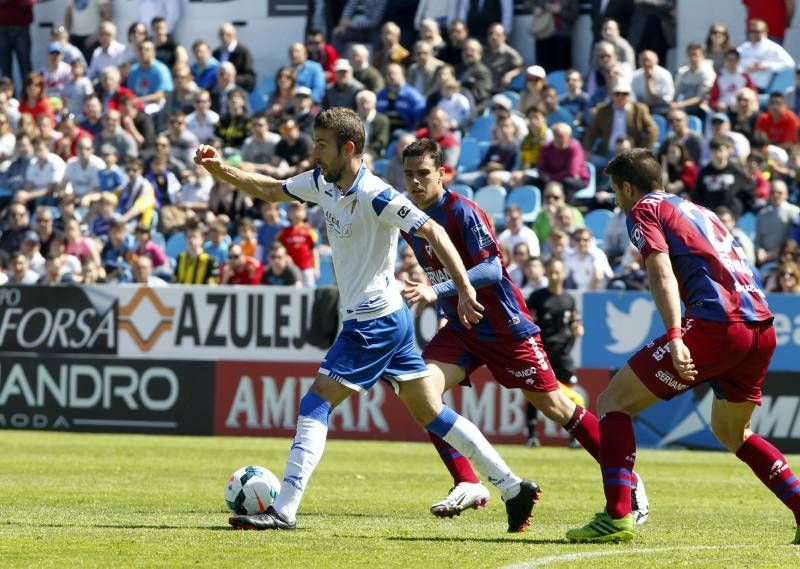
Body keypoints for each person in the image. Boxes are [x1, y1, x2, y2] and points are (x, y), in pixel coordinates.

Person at [194, 108, 540, 533]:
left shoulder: (377, 194)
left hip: (373, 321)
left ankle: (283, 509)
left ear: (349, 147)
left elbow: (435, 232)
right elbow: (271, 190)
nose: (314, 151)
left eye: (322, 144)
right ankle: (511, 487)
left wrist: (464, 288)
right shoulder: (323, 181)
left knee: (315, 402)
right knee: (431, 412)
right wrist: (220, 168)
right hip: (389, 317)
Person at [399, 138, 649, 522]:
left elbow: (491, 270)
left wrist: (438, 290)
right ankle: (467, 481)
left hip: (504, 326)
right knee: (419, 391)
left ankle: (627, 478)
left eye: (423, 174)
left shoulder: (463, 212)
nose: (416, 182)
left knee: (557, 407)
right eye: (409, 175)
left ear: (442, 174)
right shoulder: (411, 222)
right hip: (464, 328)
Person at [566, 147, 794, 544]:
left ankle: (618, 514)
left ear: (627, 187)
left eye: (615, 191)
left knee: (612, 403)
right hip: (761, 325)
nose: (615, 200)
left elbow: (660, 271)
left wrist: (675, 335)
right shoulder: (700, 211)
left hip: (715, 324)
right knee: (733, 433)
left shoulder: (643, 210)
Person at [525, 257, 584, 446]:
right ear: (546, 273)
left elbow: (574, 321)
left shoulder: (568, 299)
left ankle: (574, 437)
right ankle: (532, 436)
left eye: (557, 272)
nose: (554, 275)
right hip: (543, 354)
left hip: (563, 354)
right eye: (550, 271)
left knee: (572, 395)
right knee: (536, 394)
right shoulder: (537, 297)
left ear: (564, 274)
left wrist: (577, 327)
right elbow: (529, 323)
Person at [737, 18, 795, 92]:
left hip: (760, 88)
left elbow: (790, 64)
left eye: (757, 31)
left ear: (765, 32)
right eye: (751, 31)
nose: (753, 34)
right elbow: (734, 62)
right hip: (742, 85)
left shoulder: (773, 47)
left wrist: (766, 65)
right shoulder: (744, 47)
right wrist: (746, 66)